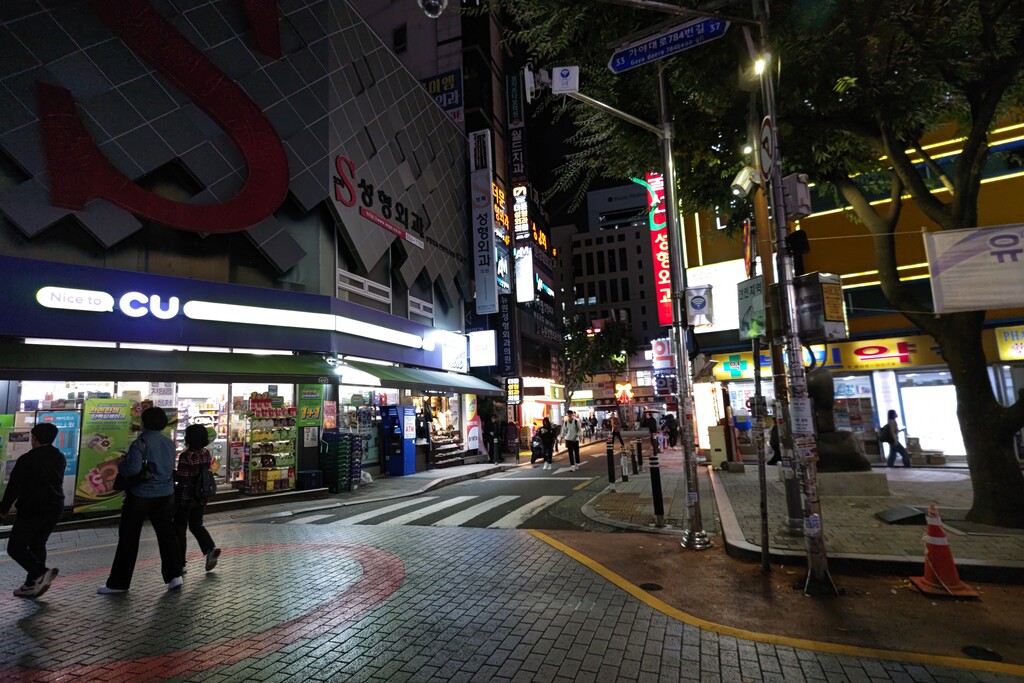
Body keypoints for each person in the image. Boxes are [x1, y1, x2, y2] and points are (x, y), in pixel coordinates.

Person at [99, 407, 182, 594]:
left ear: (144, 423)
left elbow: (133, 470)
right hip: (166, 494)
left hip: (141, 496)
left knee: (129, 538)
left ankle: (118, 584)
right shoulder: (169, 443)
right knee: (167, 536)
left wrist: (121, 463)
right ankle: (174, 576)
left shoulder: (140, 443)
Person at [0, 423, 65, 598]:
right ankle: (31, 585)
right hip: (55, 507)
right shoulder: (59, 457)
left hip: (33, 509)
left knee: (15, 548)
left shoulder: (27, 459)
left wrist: (4, 509)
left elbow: (14, 486)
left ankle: (41, 573)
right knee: (38, 544)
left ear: (34, 439)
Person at [173, 425, 221, 575]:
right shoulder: (206, 453)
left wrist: (170, 473)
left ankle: (180, 564)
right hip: (201, 496)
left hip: (185, 498)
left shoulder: (186, 456)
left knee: (180, 529)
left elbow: (182, 477)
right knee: (196, 525)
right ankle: (210, 548)